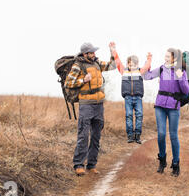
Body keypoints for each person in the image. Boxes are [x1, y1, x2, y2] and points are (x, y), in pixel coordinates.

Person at [64, 42, 116, 176]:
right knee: (83, 135)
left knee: (96, 136)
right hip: (86, 104)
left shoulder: (97, 63)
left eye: (94, 52)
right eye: (91, 52)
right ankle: (79, 165)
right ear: (85, 54)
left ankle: (91, 165)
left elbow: (113, 65)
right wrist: (83, 81)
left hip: (99, 104)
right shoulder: (77, 65)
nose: (94, 54)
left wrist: (113, 51)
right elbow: (68, 83)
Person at [143, 48, 189, 177]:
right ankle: (162, 160)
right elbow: (146, 76)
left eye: (168, 56)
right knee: (161, 134)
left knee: (173, 136)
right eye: (165, 56)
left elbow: (186, 90)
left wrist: (181, 77)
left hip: (174, 107)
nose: (165, 58)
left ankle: (175, 164)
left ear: (175, 58)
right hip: (160, 106)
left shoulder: (180, 71)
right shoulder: (162, 69)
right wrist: (148, 62)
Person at [109, 42, 152, 144]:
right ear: (127, 63)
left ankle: (137, 135)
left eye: (134, 64)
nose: (131, 65)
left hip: (138, 98)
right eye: (130, 64)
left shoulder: (140, 71)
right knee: (128, 115)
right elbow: (117, 61)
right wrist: (113, 50)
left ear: (137, 64)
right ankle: (130, 135)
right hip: (128, 97)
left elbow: (147, 66)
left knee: (139, 115)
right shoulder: (123, 71)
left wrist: (149, 58)